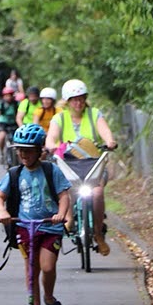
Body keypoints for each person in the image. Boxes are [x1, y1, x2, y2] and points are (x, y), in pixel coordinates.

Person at [0, 124, 71, 305]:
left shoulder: (50, 170)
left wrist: (61, 214)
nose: (23, 154)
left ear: (39, 151)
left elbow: (64, 195)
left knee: (47, 267)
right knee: (31, 271)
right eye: (20, 150)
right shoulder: (14, 174)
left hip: (49, 228)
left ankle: (49, 296)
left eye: (28, 150)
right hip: (24, 228)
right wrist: (2, 212)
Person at [46, 78, 118, 255]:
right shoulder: (60, 118)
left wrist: (110, 141)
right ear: (67, 101)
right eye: (74, 99)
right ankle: (69, 218)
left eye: (81, 98)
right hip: (68, 164)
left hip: (93, 164)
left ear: (85, 98)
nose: (78, 102)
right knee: (67, 189)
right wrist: (51, 145)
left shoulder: (94, 114)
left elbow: (105, 131)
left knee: (97, 193)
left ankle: (98, 233)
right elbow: (51, 137)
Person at [0, 87, 20, 165]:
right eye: (6, 95)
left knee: (18, 139)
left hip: (14, 123)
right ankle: (2, 153)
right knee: (2, 137)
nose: (8, 97)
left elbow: (20, 113)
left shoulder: (16, 104)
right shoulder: (0, 104)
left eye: (9, 95)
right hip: (3, 123)